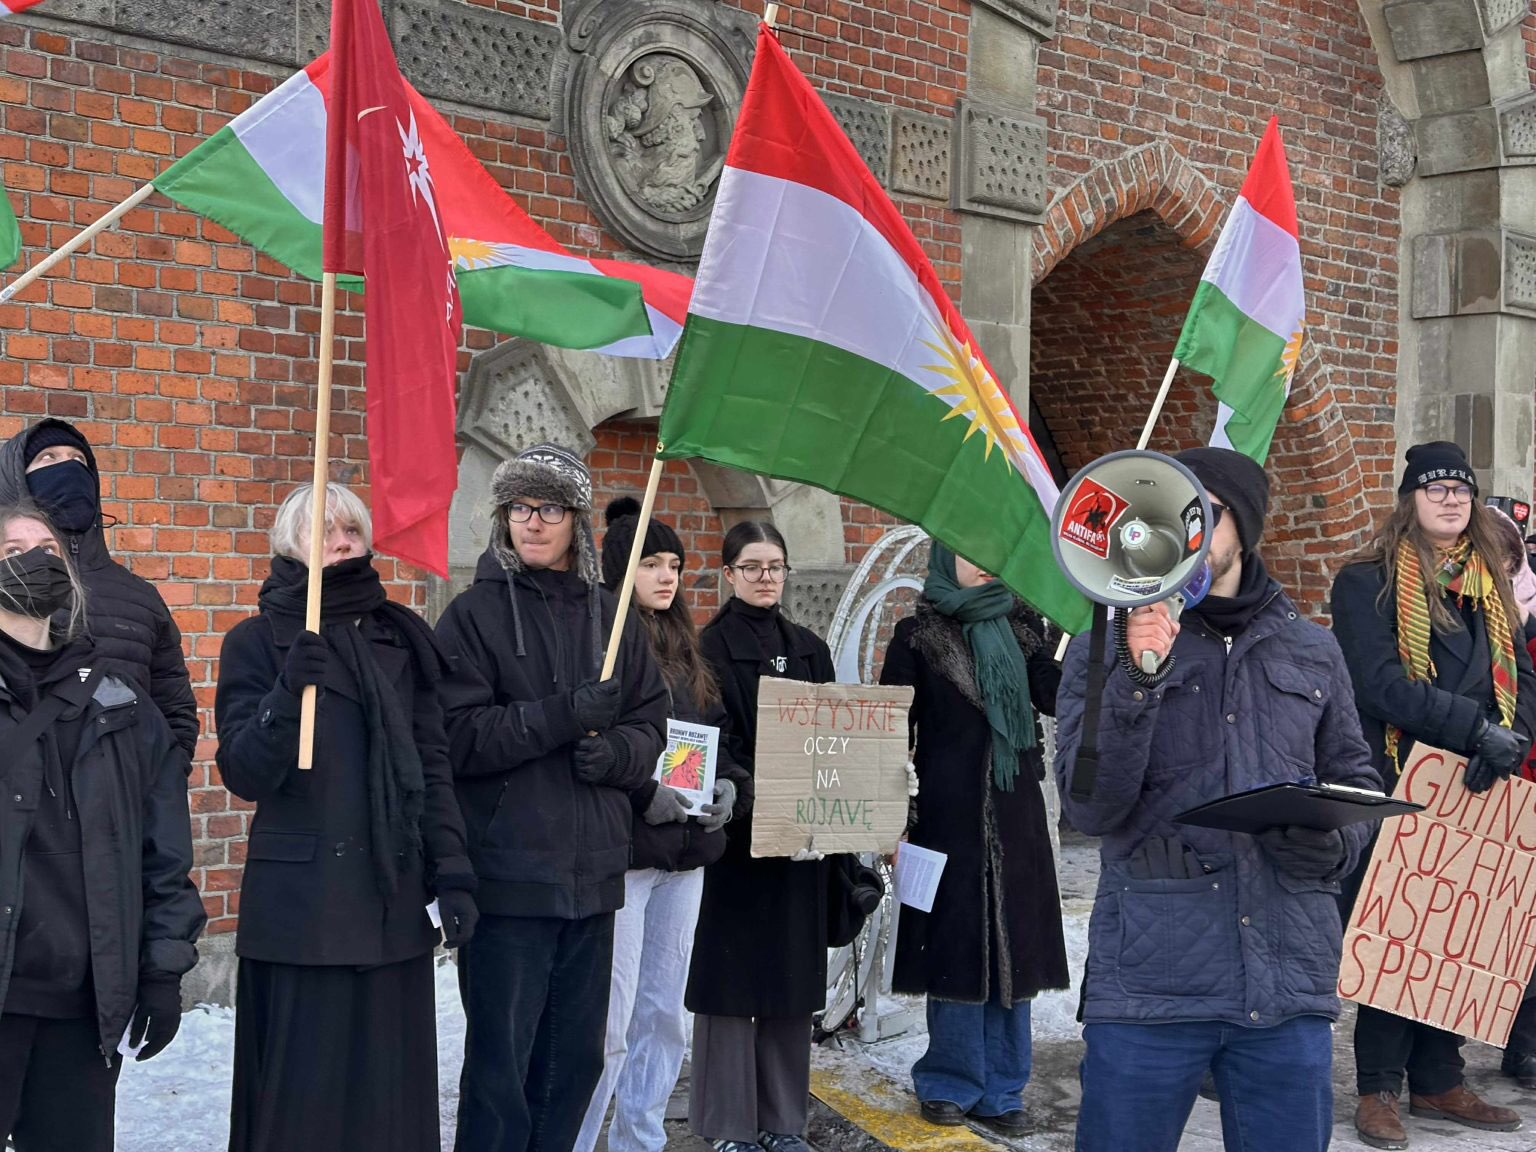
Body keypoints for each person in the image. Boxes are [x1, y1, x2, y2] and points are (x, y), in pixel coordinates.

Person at [1054, 447, 1379, 1152]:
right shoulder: (1102, 644)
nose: (1183, 526)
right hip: (1153, 982)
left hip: (1288, 976)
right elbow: (1090, 809)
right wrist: (1138, 681)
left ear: (1246, 527)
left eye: (1206, 510)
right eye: (1169, 507)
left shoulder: (1312, 650)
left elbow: (1359, 779)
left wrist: (1336, 841)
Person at [215, 483, 477, 1152]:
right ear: (289, 546)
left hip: (388, 900)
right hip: (300, 912)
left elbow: (432, 768)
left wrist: (452, 873)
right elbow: (243, 772)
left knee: (384, 1102)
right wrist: (284, 693)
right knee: (302, 1105)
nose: (340, 541)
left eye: (351, 530)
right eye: (322, 531)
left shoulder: (401, 641)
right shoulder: (256, 642)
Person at [435, 444, 668, 1152]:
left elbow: (652, 725)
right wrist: (563, 717)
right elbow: (458, 737)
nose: (533, 523)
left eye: (550, 508)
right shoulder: (471, 617)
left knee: (575, 1064)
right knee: (501, 1071)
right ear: (502, 518)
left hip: (592, 875)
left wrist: (618, 754)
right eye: (519, 508)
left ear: (577, 522)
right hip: (509, 878)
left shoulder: (612, 617)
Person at [1332, 442, 1536, 1147]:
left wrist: (1510, 743)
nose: (1450, 498)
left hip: (1480, 778)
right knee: (1402, 933)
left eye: (1460, 488)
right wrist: (1476, 729)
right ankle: (1379, 1087)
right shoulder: (1368, 578)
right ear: (1408, 499)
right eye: (1434, 487)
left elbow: (1523, 671)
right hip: (1402, 770)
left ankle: (1439, 1078)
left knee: (1460, 931)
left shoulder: (1488, 580)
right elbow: (1379, 683)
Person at [0, 503, 203, 1152]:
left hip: (80, 1011)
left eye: (48, 551)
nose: (33, 561)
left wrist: (163, 969)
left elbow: (164, 849)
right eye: (11, 551)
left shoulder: (122, 706)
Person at [574, 497, 752, 1152]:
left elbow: (715, 736)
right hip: (625, 855)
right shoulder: (600, 646)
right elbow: (592, 748)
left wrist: (730, 784)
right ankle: (579, 1136)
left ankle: (639, 1140)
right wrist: (643, 792)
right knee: (610, 1023)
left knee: (663, 1017)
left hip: (688, 852)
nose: (667, 575)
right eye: (651, 563)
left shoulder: (690, 649)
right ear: (622, 570)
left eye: (674, 563)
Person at [879, 542, 1068, 1136]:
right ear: (942, 559)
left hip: (1016, 816)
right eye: (967, 551)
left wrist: (1083, 644)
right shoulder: (917, 635)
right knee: (955, 945)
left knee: (1016, 944)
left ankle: (1004, 1086)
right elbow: (890, 728)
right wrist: (891, 815)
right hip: (945, 814)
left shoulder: (1025, 628)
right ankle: (949, 1081)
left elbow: (1054, 697)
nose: (982, 561)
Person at [686, 521, 844, 1152]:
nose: (765, 578)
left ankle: (783, 1122)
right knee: (729, 984)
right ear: (729, 575)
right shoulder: (706, 648)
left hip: (800, 841)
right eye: (751, 567)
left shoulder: (811, 647)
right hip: (735, 842)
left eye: (775, 566)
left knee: (788, 982)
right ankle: (727, 1126)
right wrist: (751, 789)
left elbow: (838, 733)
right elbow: (703, 737)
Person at [0, 419, 199, 764]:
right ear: (17, 477)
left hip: (123, 803)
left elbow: (174, 705)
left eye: (78, 459)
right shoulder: (8, 586)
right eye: (48, 458)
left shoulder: (140, 597)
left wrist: (160, 783)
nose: (67, 466)